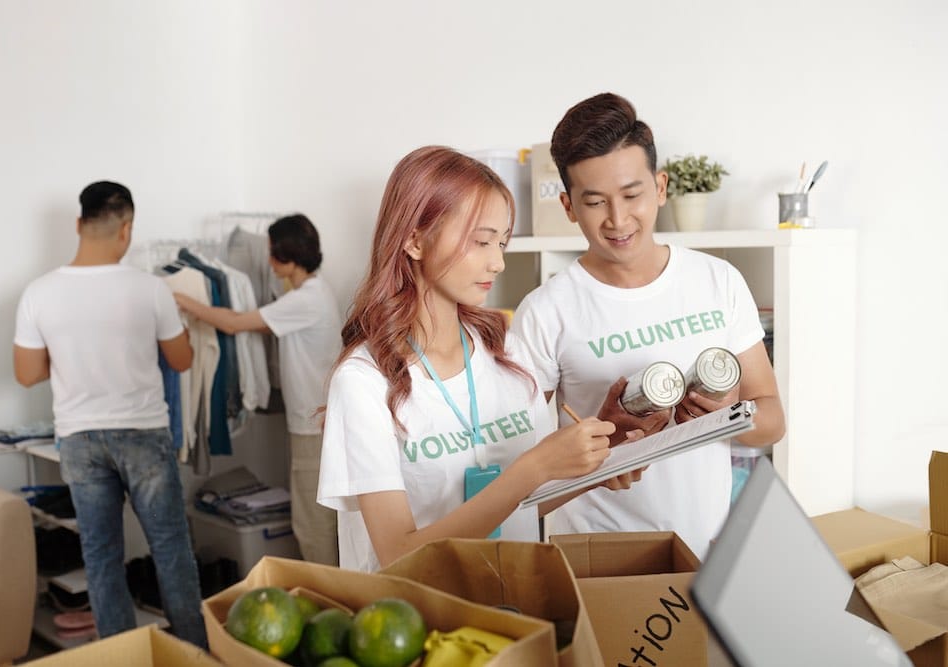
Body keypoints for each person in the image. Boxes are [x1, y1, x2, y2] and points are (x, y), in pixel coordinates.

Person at [316, 146, 619, 573]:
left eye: (502, 242)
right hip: (415, 625)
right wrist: (530, 469)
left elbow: (526, 501)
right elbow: (398, 555)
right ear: (414, 239)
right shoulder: (364, 381)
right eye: (480, 241)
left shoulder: (507, 353)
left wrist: (596, 464)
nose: (497, 262)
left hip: (513, 606)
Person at [510, 93, 787, 560]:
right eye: (595, 202)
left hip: (708, 553)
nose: (618, 220)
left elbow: (773, 421)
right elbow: (518, 469)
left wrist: (722, 421)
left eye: (632, 195)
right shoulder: (545, 311)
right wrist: (599, 455)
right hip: (596, 556)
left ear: (660, 187)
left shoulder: (716, 281)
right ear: (569, 205)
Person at [13, 181, 207, 647]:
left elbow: (27, 374)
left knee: (100, 556)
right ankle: (197, 655)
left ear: (78, 224)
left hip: (79, 439)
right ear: (127, 229)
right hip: (143, 434)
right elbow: (182, 360)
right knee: (172, 552)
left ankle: (121, 658)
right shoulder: (150, 290)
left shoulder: (38, 293)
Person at [173, 214, 340, 566]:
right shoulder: (309, 293)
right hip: (315, 421)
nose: (266, 261)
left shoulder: (305, 299)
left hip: (314, 426)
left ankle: (332, 604)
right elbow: (263, 326)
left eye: (271, 253)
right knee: (317, 518)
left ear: (287, 255)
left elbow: (236, 325)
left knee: (313, 524)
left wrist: (184, 301)